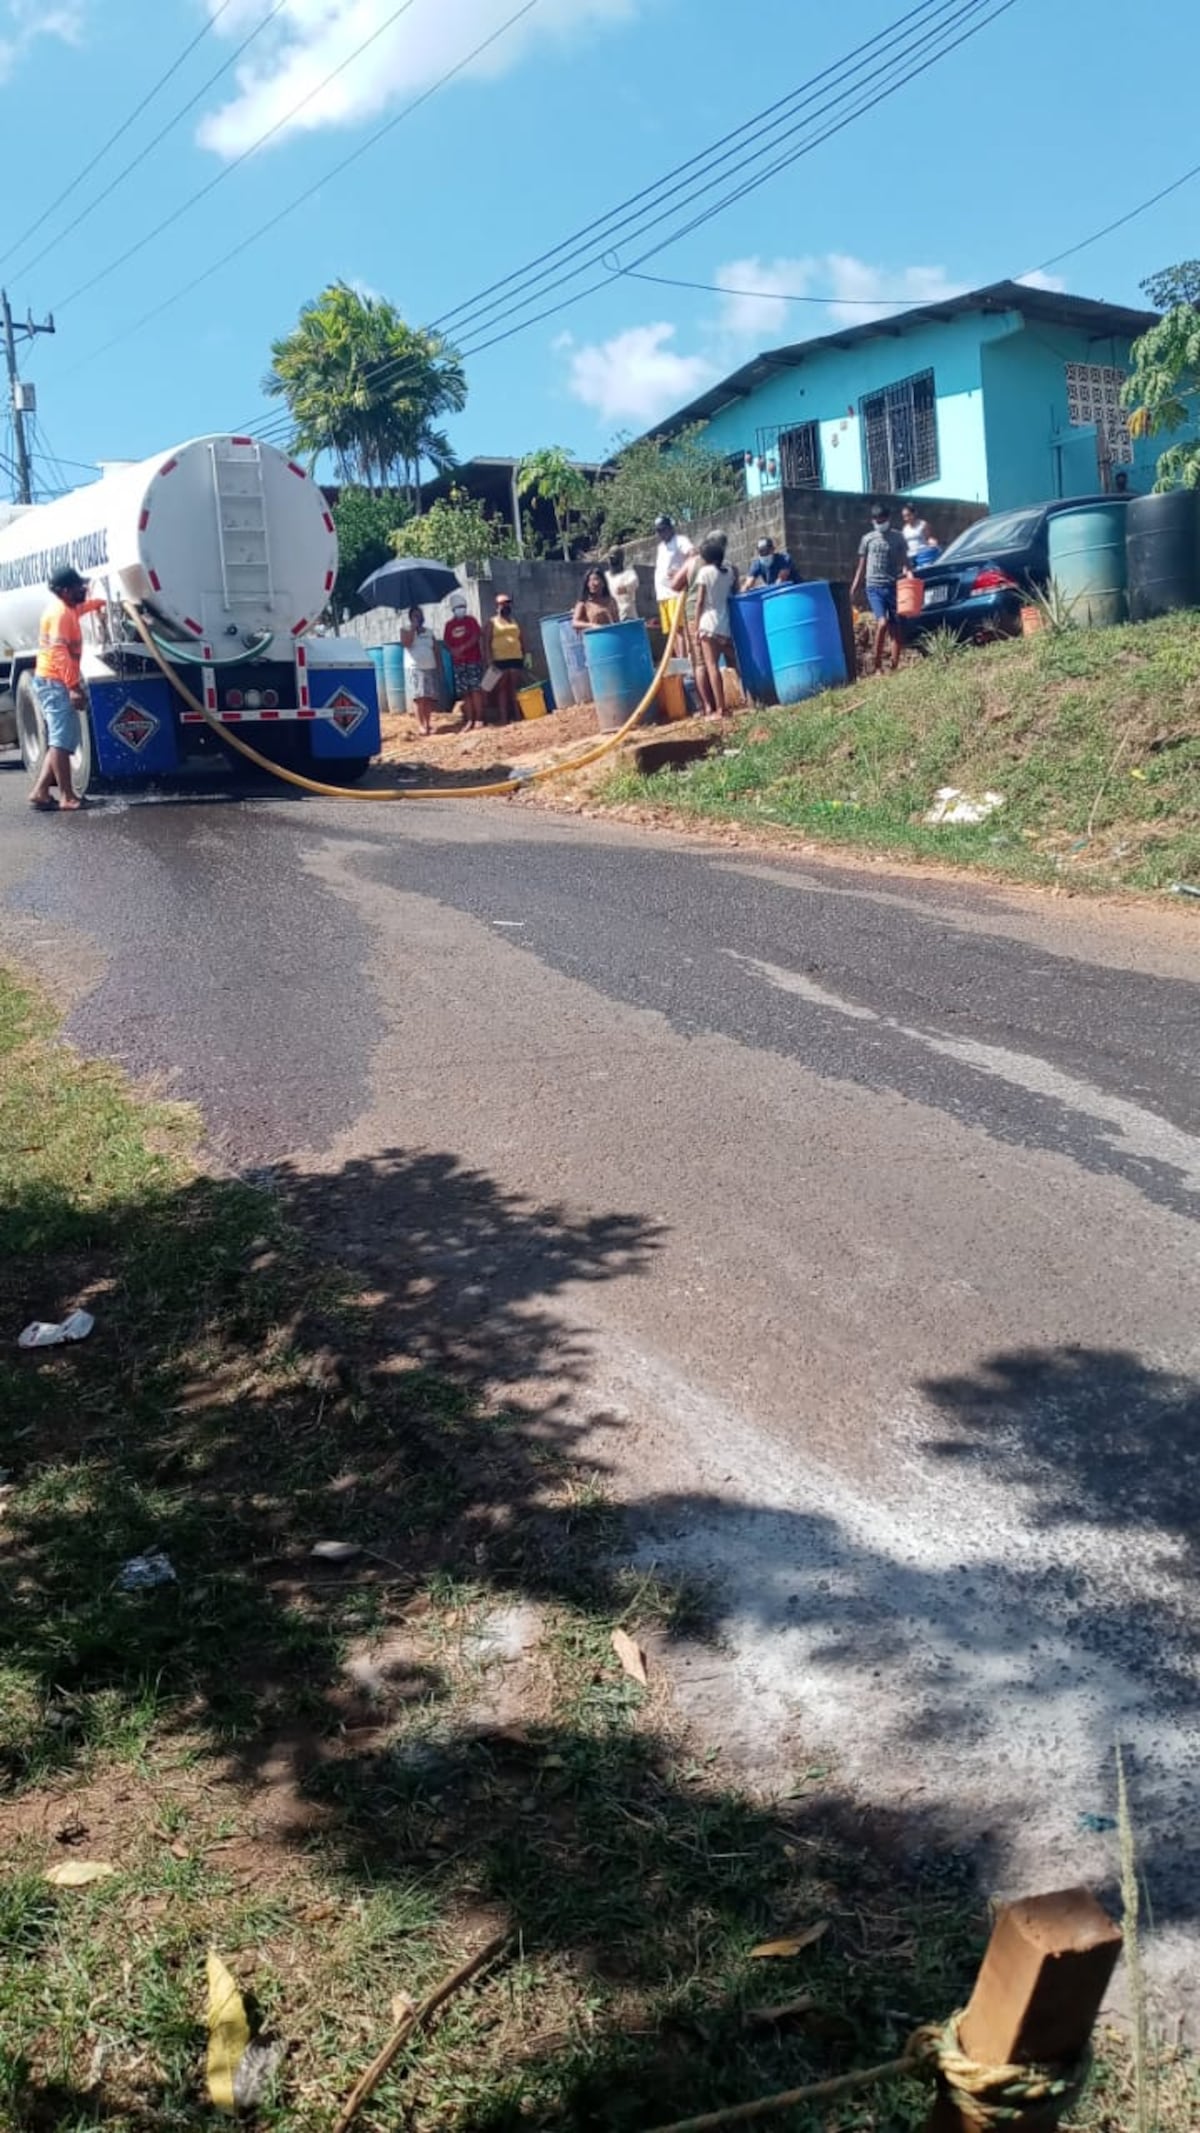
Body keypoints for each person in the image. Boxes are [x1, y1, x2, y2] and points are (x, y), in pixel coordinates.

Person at [27, 566, 104, 812]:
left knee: (61, 738)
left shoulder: (68, 608)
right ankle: (67, 797)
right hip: (55, 682)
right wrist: (73, 687)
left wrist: (100, 602)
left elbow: (82, 608)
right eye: (78, 587)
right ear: (65, 590)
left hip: (52, 680)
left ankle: (40, 792)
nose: (83, 589)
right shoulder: (60, 614)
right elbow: (59, 654)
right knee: (61, 740)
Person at [849, 502, 908, 674]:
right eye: (876, 520)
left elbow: (905, 561)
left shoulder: (897, 538)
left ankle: (895, 665)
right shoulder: (867, 539)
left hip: (892, 585)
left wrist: (910, 577)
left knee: (896, 627)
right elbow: (861, 566)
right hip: (873, 586)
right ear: (872, 520)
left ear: (888, 519)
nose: (880, 522)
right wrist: (854, 587)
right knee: (882, 623)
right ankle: (877, 665)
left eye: (882, 519)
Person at [692, 532, 739, 719]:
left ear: (706, 558)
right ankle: (750, 696)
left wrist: (696, 628)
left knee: (712, 666)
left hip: (707, 624)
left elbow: (700, 602)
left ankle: (721, 709)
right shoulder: (728, 573)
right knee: (735, 662)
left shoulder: (704, 572)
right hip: (725, 624)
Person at [443, 591, 485, 731]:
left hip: (473, 660)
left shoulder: (471, 621)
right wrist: (454, 651)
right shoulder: (449, 625)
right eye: (458, 607)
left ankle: (479, 718)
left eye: (463, 606)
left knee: (475, 690)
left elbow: (476, 636)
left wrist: (462, 647)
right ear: (453, 610)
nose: (461, 609)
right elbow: (447, 643)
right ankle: (470, 719)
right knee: (465, 692)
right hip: (459, 663)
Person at [483, 591, 525, 724]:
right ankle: (503, 718)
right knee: (501, 689)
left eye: (507, 603)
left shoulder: (514, 621)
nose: (505, 606)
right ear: (497, 606)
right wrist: (489, 659)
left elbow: (522, 637)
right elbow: (486, 641)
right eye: (502, 604)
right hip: (499, 659)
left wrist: (526, 654)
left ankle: (517, 715)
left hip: (515, 658)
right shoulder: (492, 622)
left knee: (514, 688)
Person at [401, 605, 440, 737]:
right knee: (419, 698)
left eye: (419, 615)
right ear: (410, 618)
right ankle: (421, 725)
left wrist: (440, 666)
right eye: (415, 616)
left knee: (428, 698)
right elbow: (406, 643)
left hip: (429, 667)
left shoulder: (429, 632)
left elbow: (435, 649)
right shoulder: (405, 630)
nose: (418, 618)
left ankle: (428, 723)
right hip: (414, 668)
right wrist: (413, 628)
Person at [653, 514, 694, 638]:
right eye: (658, 530)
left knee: (679, 629)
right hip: (663, 595)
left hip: (674, 594)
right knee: (671, 632)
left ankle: (683, 657)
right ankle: (678, 657)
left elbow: (693, 554)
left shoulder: (680, 540)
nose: (661, 533)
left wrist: (681, 572)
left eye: (663, 529)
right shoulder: (660, 547)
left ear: (670, 528)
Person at [573, 565, 618, 632]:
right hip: (595, 637)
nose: (592, 583)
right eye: (589, 581)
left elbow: (617, 622)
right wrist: (592, 625)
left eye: (595, 579)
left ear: (603, 583)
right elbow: (575, 623)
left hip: (612, 636)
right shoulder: (584, 603)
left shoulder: (611, 601)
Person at [606, 547, 640, 622]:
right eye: (610, 559)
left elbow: (635, 583)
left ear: (621, 559)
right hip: (612, 617)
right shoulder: (606, 576)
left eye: (614, 559)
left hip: (628, 616)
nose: (611, 561)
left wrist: (625, 588)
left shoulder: (629, 573)